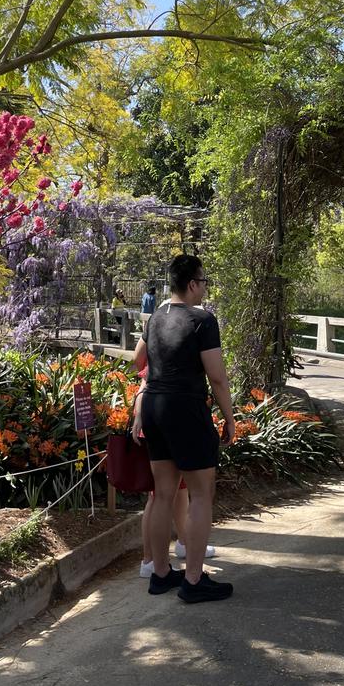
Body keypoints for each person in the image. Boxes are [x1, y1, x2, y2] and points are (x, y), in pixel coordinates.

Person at [133, 253, 235, 603]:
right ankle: (193, 580)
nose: (204, 287)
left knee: (162, 493)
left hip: (154, 407)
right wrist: (230, 418)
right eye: (203, 281)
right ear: (192, 284)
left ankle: (161, 574)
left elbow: (138, 362)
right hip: (186, 409)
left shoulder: (155, 318)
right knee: (201, 493)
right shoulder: (203, 320)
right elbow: (217, 378)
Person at [132, 373, 216, 578]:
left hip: (166, 421)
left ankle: (185, 543)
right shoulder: (161, 348)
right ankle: (149, 560)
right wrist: (139, 416)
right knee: (158, 496)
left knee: (179, 491)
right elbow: (145, 382)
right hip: (162, 424)